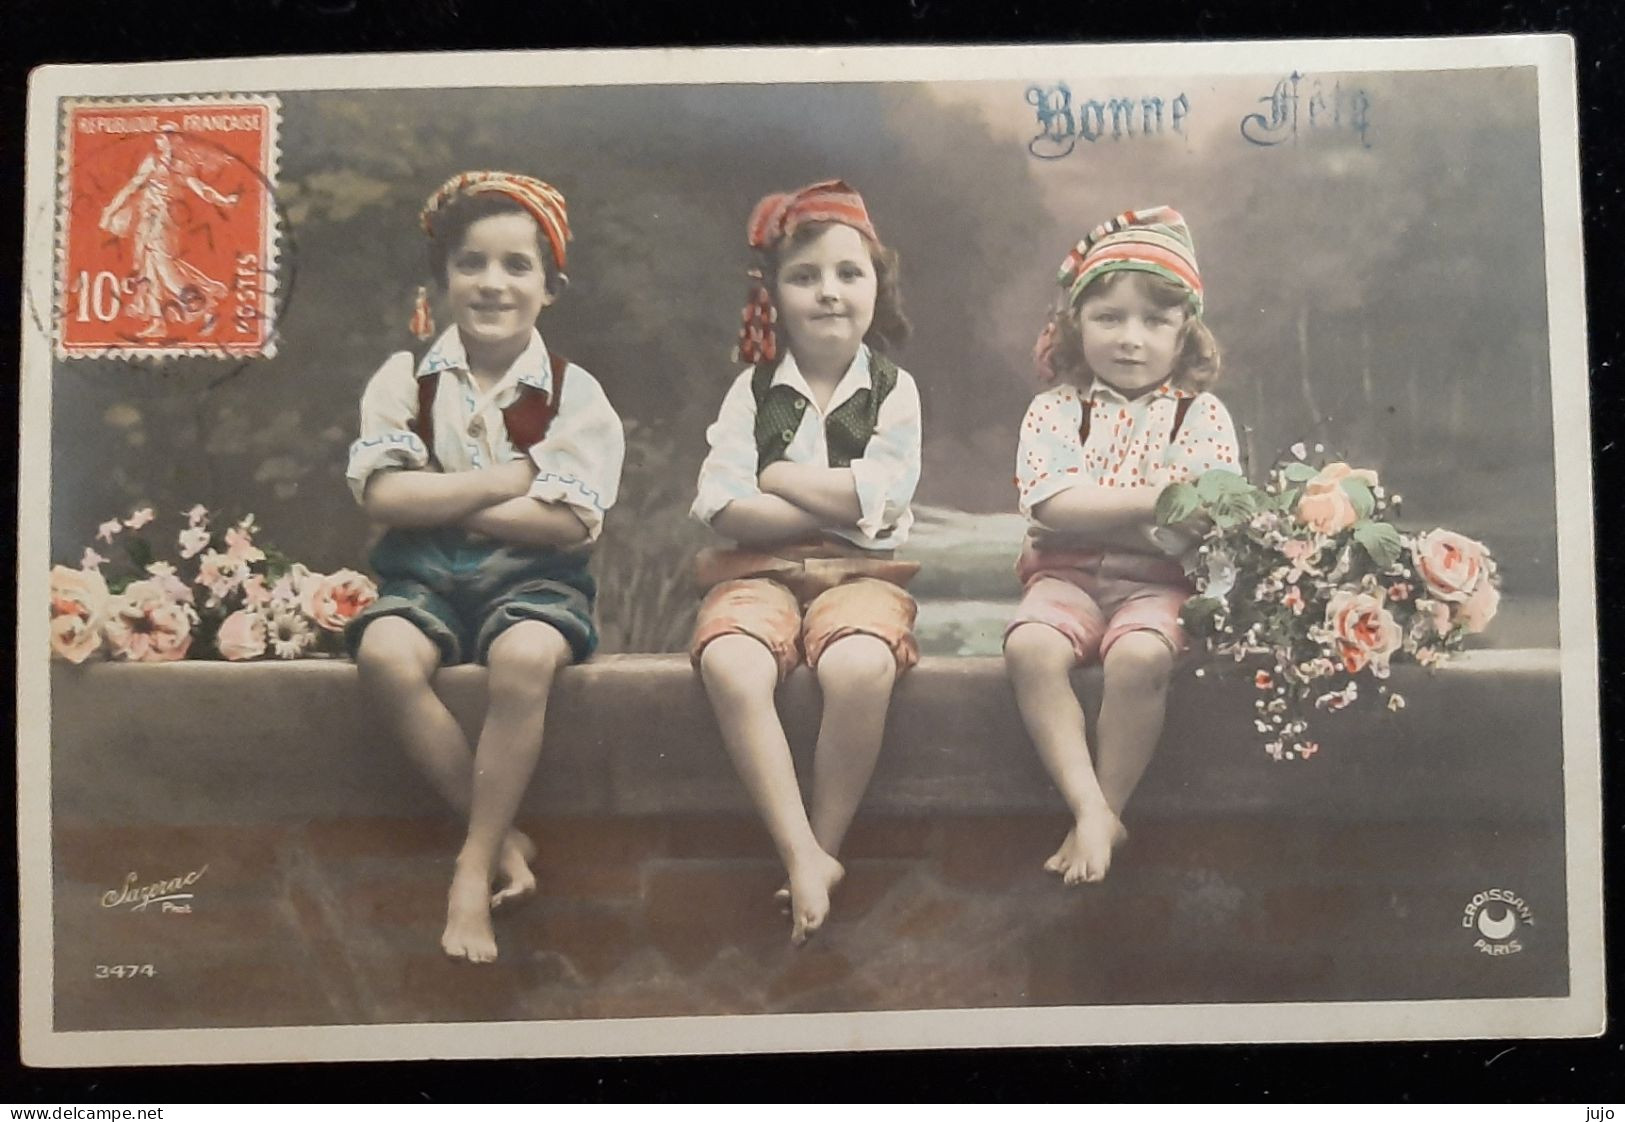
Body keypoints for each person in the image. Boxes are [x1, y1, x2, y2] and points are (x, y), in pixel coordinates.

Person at [344, 171, 624, 963]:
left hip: (533, 577)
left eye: (516, 266)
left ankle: (470, 866)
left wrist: (441, 496)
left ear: (550, 287)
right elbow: (383, 496)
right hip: (423, 575)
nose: (492, 284)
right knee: (385, 654)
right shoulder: (406, 379)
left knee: (525, 655)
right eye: (471, 264)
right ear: (441, 281)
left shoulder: (575, 395)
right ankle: (500, 841)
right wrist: (502, 481)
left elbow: (568, 521)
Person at [689, 180, 922, 945]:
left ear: (876, 285)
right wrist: (834, 497)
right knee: (731, 661)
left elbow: (878, 505)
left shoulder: (892, 392)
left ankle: (823, 845)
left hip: (862, 576)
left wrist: (780, 477)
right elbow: (723, 505)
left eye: (848, 274)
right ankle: (797, 849)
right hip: (754, 571)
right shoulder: (751, 392)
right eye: (805, 276)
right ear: (774, 294)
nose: (828, 293)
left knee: (858, 667)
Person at [1004, 206, 1240, 885]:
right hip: (1065, 577)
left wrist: (1100, 510)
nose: (1130, 338)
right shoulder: (1055, 409)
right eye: (1108, 317)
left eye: (1153, 321)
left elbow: (1207, 518)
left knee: (1140, 656)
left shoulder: (1201, 415)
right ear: (1077, 324)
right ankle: (1089, 808)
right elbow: (1052, 503)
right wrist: (1154, 499)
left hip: (1159, 584)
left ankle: (1105, 809)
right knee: (1030, 647)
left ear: (1183, 331)